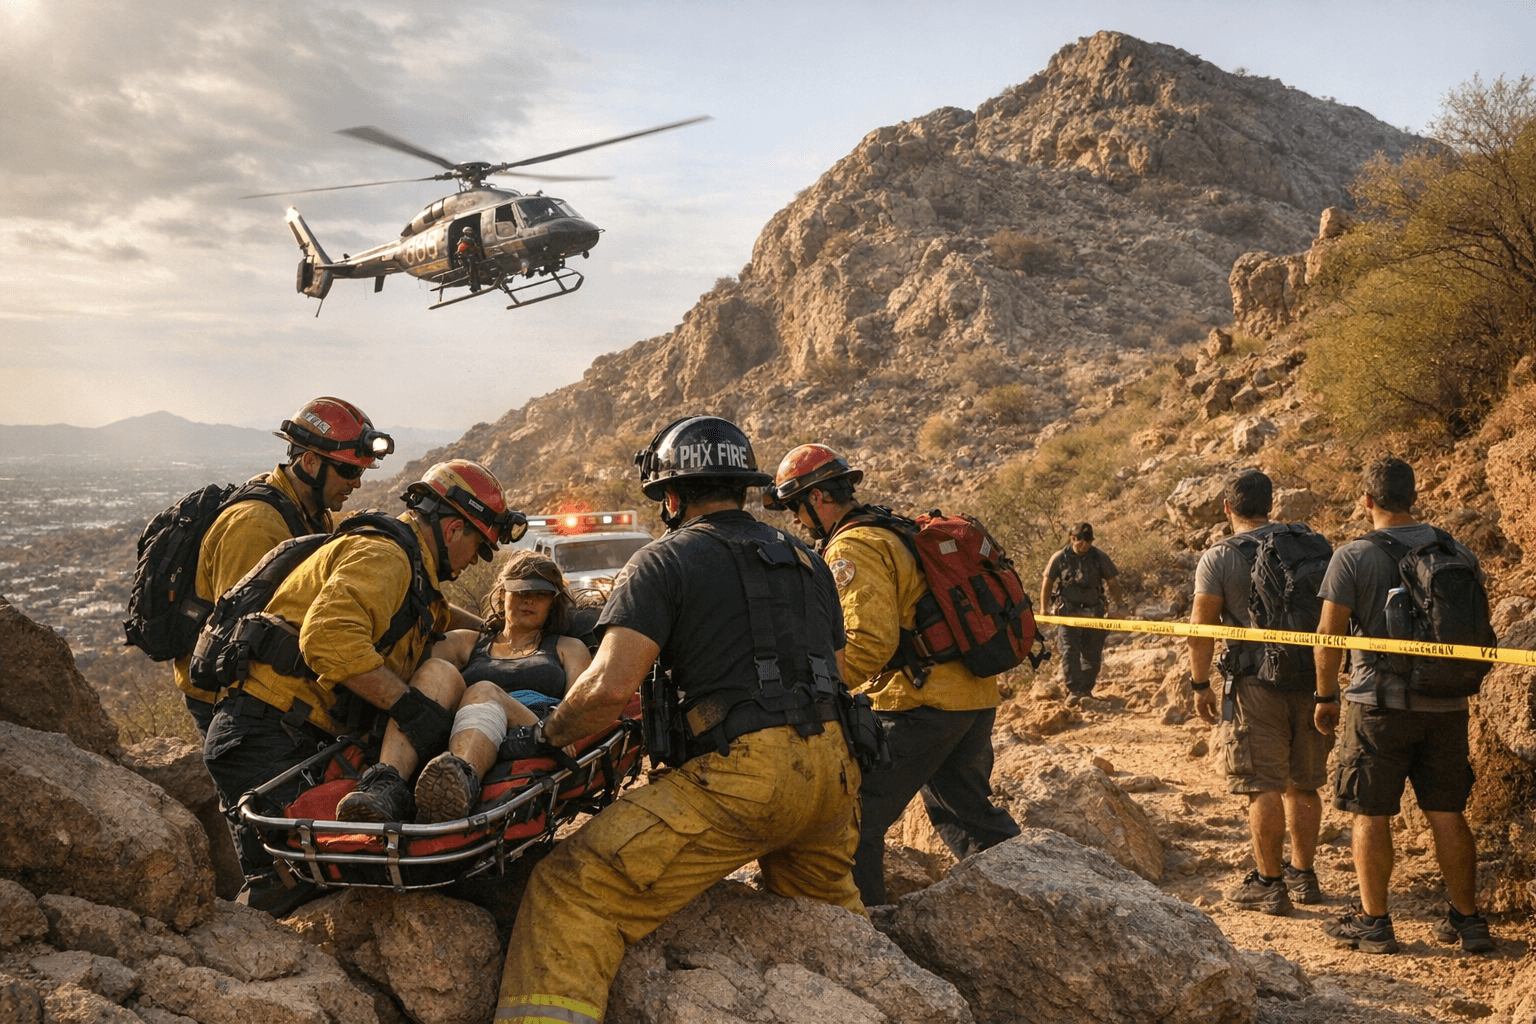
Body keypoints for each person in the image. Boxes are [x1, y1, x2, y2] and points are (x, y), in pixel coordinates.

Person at [496, 416, 864, 1024]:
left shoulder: (662, 560)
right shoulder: (807, 557)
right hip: (833, 776)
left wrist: (541, 736)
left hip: (742, 781)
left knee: (571, 888)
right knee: (829, 928)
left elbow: (609, 690)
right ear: (744, 488)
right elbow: (841, 670)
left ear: (669, 497)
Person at [203, 459, 521, 915]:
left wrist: (501, 631)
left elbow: (435, 614)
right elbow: (328, 640)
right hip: (267, 738)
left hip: (276, 731)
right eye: (478, 547)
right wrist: (411, 707)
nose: (474, 560)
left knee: (299, 876)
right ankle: (250, 972)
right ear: (453, 530)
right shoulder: (386, 557)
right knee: (299, 881)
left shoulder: (407, 565)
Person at [764, 442, 1019, 907]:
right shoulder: (894, 528)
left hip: (918, 705)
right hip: (973, 696)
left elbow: (869, 640)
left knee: (853, 817)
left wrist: (820, 691)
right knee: (970, 815)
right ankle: (1031, 899)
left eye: (795, 509)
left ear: (818, 499)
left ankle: (869, 931)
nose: (797, 521)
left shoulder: (854, 544)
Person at [1313, 457, 1495, 954]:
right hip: (1448, 704)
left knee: (1370, 813)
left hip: (1378, 706)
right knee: (1447, 811)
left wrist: (1325, 696)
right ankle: (1468, 920)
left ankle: (1375, 923)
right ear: (1413, 497)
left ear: (1367, 500)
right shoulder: (1457, 549)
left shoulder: (1353, 556)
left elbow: (1328, 634)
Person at [173, 397, 391, 736]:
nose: (357, 483)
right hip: (225, 694)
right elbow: (240, 636)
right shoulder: (257, 524)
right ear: (309, 462)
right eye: (348, 470)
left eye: (360, 471)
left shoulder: (305, 509)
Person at [1188, 469, 1333, 915]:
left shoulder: (1219, 557)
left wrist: (1199, 684)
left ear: (1227, 508)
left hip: (1254, 684)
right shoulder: (1310, 543)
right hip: (1310, 678)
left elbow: (1200, 628)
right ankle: (1304, 876)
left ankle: (1270, 884)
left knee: (1262, 785)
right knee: (1304, 784)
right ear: (1271, 504)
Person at [413, 551, 592, 823]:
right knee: (434, 669)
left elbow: (578, 706)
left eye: (541, 594)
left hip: (534, 731)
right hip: (468, 729)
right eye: (519, 592)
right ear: (501, 596)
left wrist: (556, 730)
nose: (528, 600)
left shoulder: (567, 647)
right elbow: (415, 647)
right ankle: (392, 779)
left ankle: (460, 782)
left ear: (553, 603)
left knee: (484, 690)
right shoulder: (469, 643)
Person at [1039, 523, 1121, 698]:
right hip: (1068, 614)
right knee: (1069, 652)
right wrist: (1043, 609)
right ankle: (1074, 690)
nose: (1085, 544)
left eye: (1088, 541)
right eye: (1081, 541)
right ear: (1072, 539)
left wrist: (1121, 607)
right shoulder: (1059, 557)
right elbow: (1048, 582)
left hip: (1094, 613)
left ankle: (1086, 690)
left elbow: (1112, 582)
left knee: (1092, 655)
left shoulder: (1099, 557)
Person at [456, 224, 484, 292]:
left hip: (469, 257)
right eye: (470, 232)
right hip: (466, 258)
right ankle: (473, 286)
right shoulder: (465, 240)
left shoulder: (469, 240)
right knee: (473, 270)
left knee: (476, 267)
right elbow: (461, 251)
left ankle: (477, 285)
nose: (471, 234)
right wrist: (476, 248)